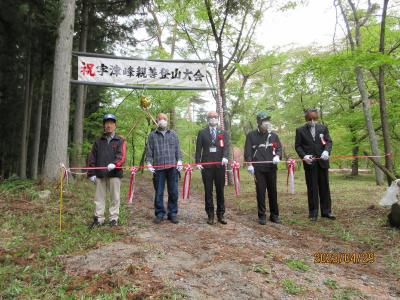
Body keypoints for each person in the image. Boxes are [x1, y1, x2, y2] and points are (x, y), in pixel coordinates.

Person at [295, 108, 335, 221]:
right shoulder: (300, 130)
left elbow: (329, 142)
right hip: (310, 163)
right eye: (309, 119)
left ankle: (326, 211)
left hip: (323, 162)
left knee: (324, 187)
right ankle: (313, 213)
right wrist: (304, 156)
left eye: (314, 119)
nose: (312, 121)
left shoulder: (323, 128)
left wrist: (327, 151)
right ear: (306, 119)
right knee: (312, 188)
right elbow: (298, 146)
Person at [87, 113, 126, 228]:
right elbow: (92, 157)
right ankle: (98, 219)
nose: (108, 125)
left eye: (111, 123)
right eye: (106, 123)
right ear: (104, 126)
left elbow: (121, 156)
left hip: (115, 174)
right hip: (100, 175)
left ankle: (114, 219)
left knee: (115, 197)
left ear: (115, 125)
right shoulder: (98, 141)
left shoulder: (120, 141)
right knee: (99, 198)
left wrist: (114, 164)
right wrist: (91, 173)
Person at [244, 112, 282, 225]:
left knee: (273, 192)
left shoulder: (274, 135)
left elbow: (279, 149)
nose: (267, 123)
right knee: (260, 192)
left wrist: (277, 156)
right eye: (265, 121)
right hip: (258, 169)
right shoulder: (251, 135)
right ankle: (262, 216)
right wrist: (250, 164)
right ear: (259, 122)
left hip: (271, 167)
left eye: (268, 121)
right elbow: (248, 152)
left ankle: (274, 215)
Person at [146, 113, 183, 224]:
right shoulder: (152, 135)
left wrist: (180, 161)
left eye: (164, 119)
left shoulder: (173, 134)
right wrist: (149, 163)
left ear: (167, 121)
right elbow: (149, 151)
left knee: (173, 192)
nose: (162, 120)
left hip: (172, 168)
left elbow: (178, 150)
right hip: (158, 168)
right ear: (156, 121)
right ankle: (160, 214)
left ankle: (172, 213)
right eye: (160, 119)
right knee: (159, 192)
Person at [195, 111, 230, 225]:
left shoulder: (223, 133)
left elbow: (226, 147)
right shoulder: (202, 132)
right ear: (207, 119)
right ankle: (210, 215)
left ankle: (221, 214)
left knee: (220, 190)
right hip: (207, 166)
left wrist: (225, 157)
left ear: (218, 119)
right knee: (208, 191)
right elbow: (198, 148)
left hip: (220, 166)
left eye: (215, 117)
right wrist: (198, 162)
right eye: (210, 117)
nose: (213, 119)